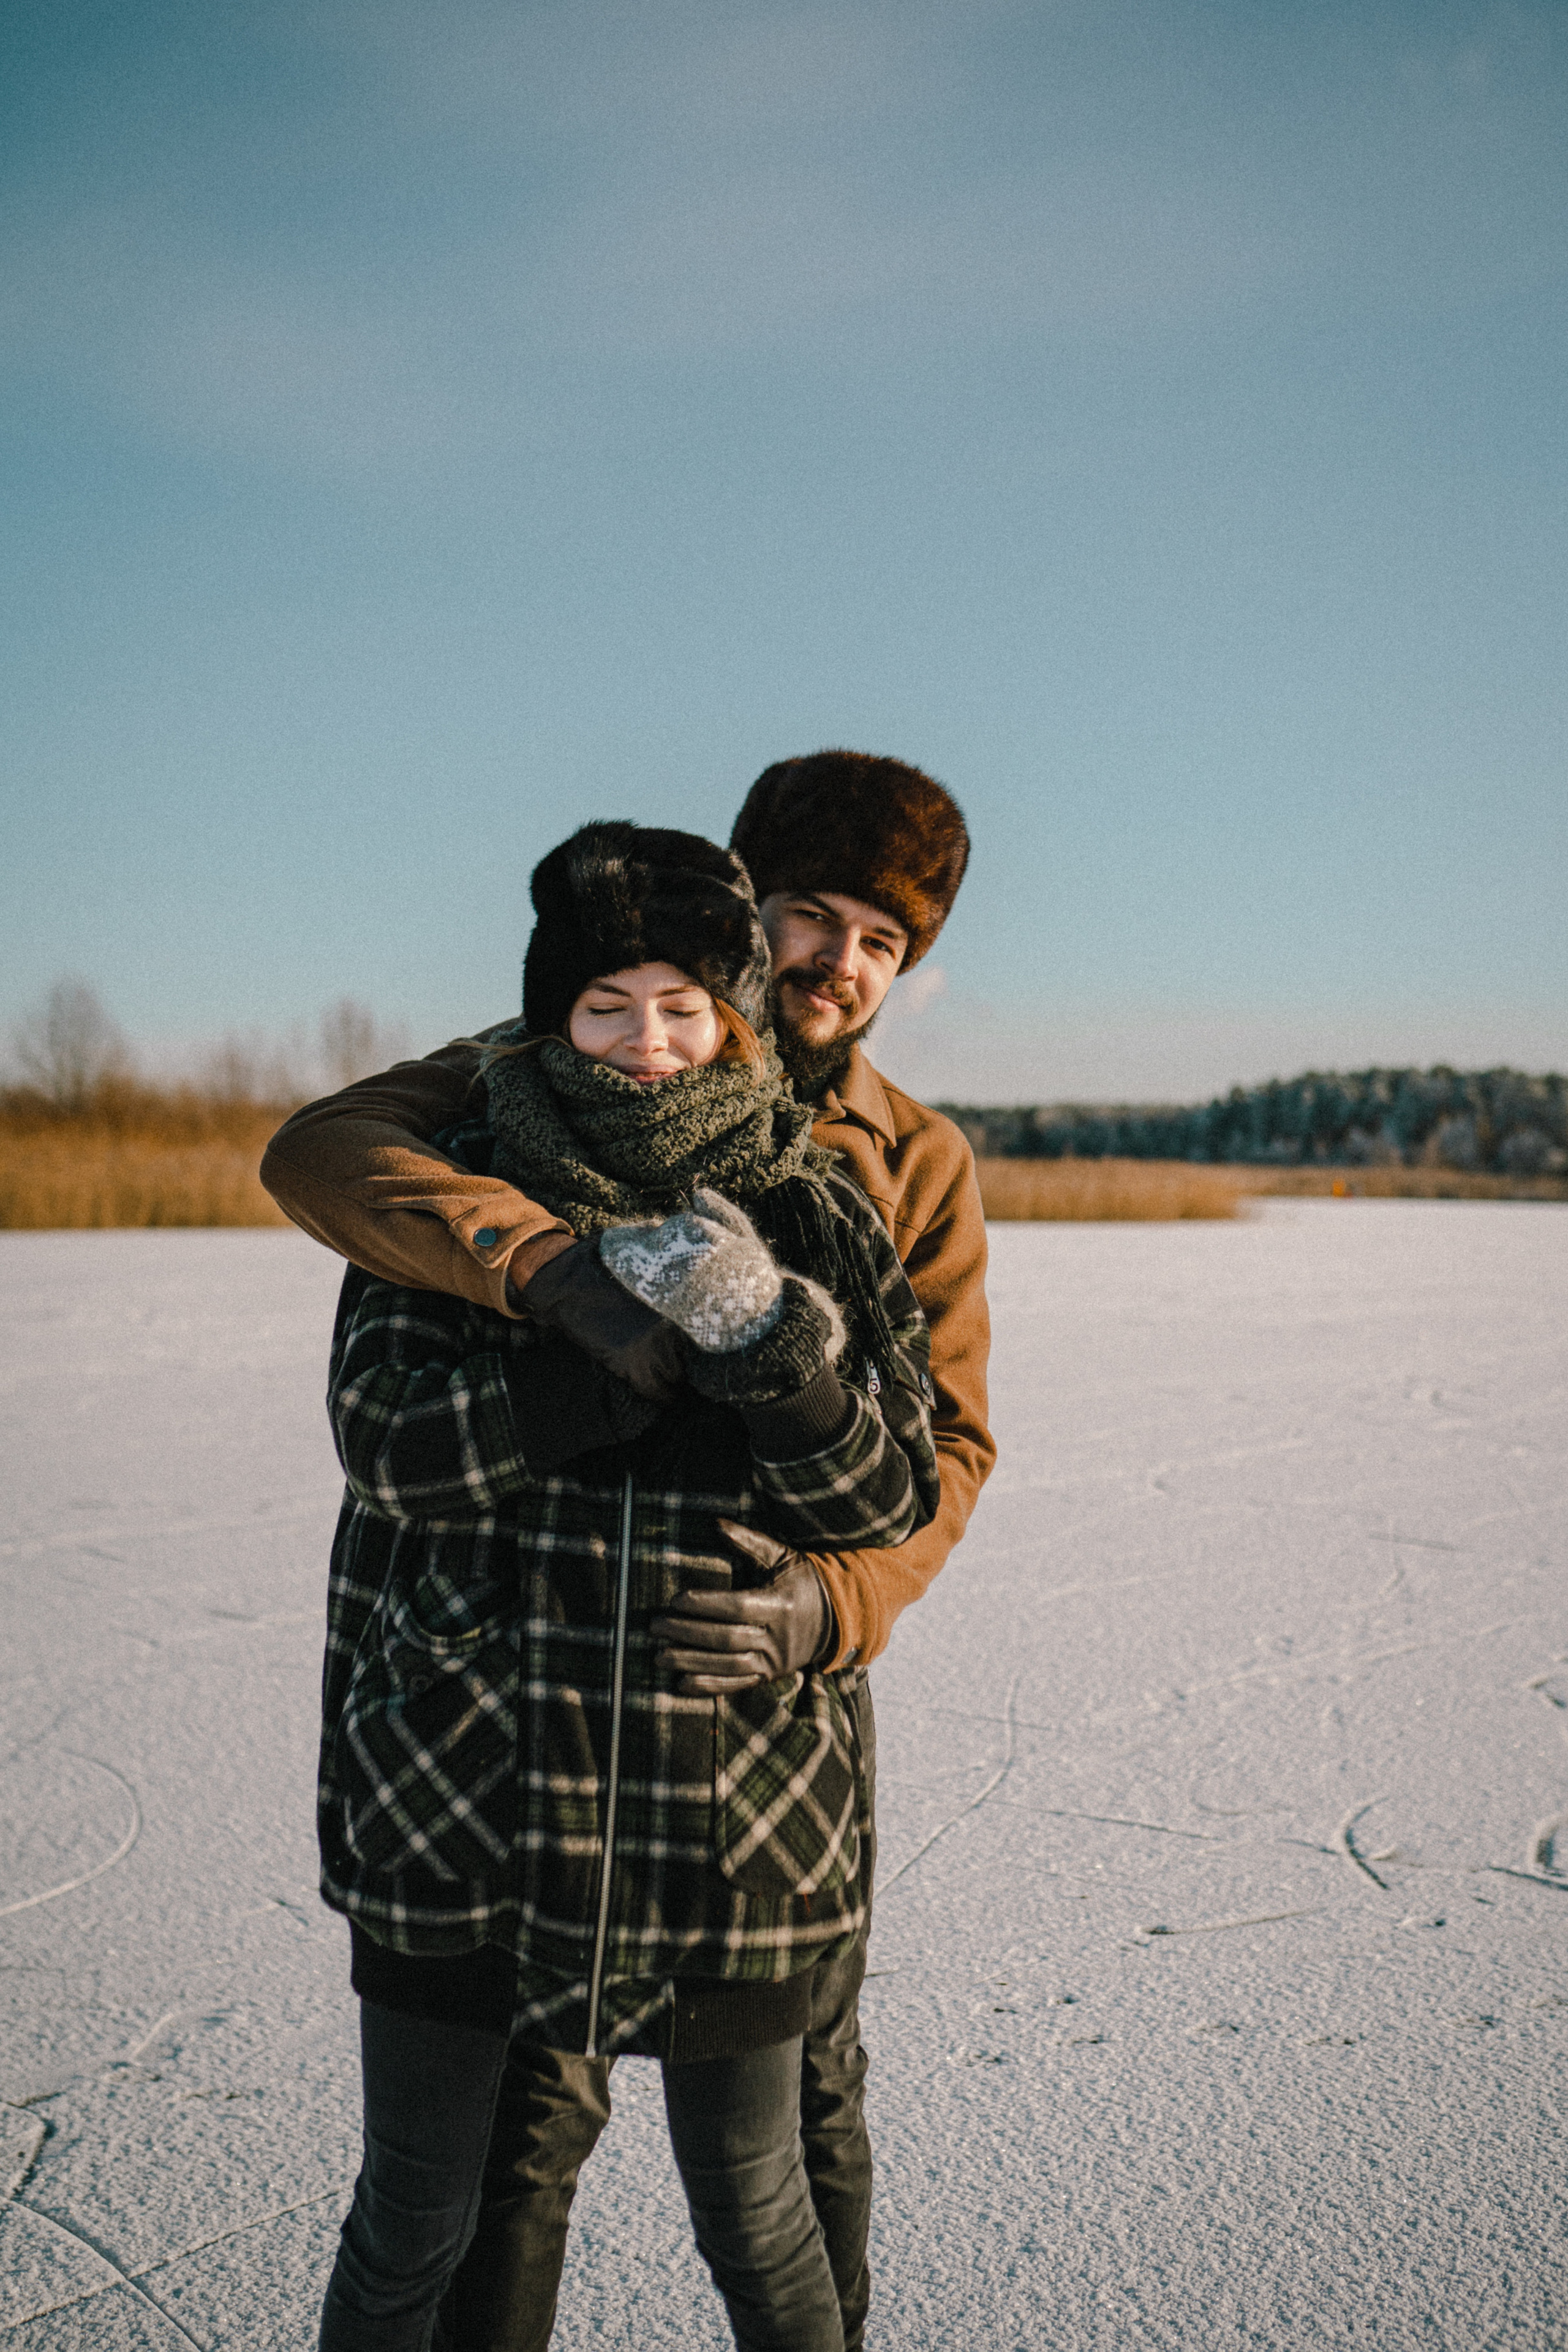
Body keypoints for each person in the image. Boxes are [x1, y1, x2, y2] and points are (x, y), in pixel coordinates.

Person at [264, 752, 994, 2350]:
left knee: (798, 2134)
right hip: (511, 1727)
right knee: (509, 2142)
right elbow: (322, 1153)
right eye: (816, 917)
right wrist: (550, 1281)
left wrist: (828, 1608)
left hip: (752, 1723)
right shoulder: (524, 1074)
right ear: (747, 909)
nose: (845, 966)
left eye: (887, 943)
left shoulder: (902, 1162)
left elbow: (942, 1453)